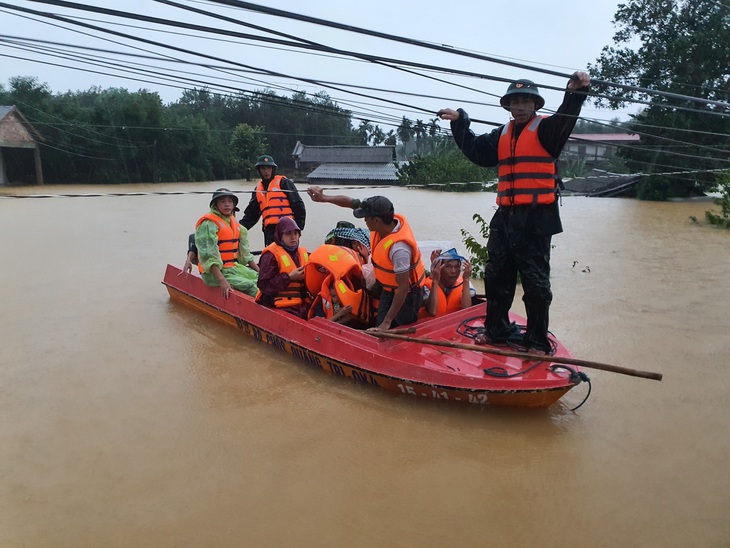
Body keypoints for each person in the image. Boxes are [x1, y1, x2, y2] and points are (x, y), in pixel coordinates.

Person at [437, 71, 591, 353]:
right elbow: (477, 151)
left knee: (535, 284)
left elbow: (566, 117)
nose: (520, 107)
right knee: (496, 277)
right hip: (505, 218)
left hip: (536, 218)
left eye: (526, 101)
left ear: (535, 105)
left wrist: (575, 92)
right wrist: (460, 121)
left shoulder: (547, 131)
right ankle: (496, 330)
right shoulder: (502, 134)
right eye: (515, 102)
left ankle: (536, 341)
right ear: (508, 107)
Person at [306, 187, 426, 331]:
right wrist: (324, 198)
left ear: (376, 220)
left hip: (406, 296)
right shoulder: (383, 218)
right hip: (387, 289)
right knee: (379, 326)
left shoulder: (399, 249)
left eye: (366, 218)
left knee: (395, 331)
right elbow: (351, 202)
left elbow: (403, 288)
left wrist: (387, 323)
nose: (364, 221)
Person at [193, 188, 259, 298]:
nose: (227, 205)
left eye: (230, 201)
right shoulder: (208, 225)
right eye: (222, 202)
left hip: (233, 268)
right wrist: (222, 280)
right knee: (250, 286)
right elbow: (209, 257)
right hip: (213, 274)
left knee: (260, 280)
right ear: (216, 205)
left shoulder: (237, 226)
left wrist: (261, 272)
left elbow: (246, 255)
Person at [240, 154, 306, 247]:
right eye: (263, 168)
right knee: (272, 256)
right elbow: (251, 214)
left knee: (287, 257)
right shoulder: (258, 190)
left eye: (268, 168)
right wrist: (238, 229)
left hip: (287, 229)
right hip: (269, 232)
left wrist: (298, 229)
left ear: (273, 169)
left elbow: (298, 206)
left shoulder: (284, 183)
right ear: (259, 170)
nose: (266, 171)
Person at [255, 216, 310, 318]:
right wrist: (289, 277)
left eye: (295, 233)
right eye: (288, 233)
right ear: (280, 235)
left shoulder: (304, 253)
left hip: (302, 304)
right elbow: (264, 285)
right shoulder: (270, 255)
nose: (293, 237)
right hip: (278, 305)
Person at [420, 248, 473, 318]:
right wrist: (435, 281)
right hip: (431, 326)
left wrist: (466, 279)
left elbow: (466, 309)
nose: (453, 271)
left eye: (457, 267)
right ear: (439, 269)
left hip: (454, 325)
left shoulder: (464, 284)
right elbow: (432, 311)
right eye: (448, 266)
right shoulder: (426, 287)